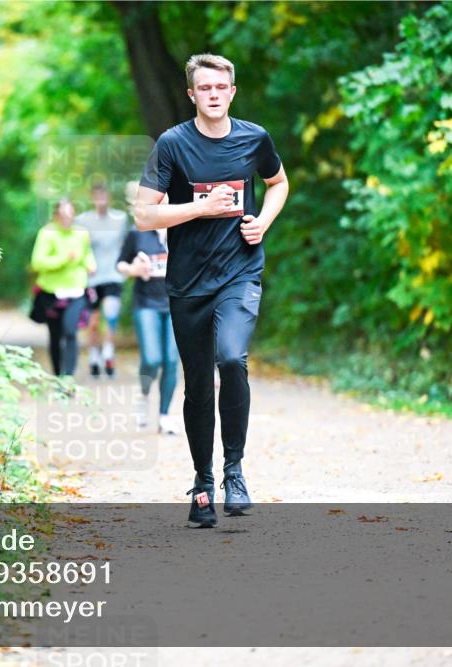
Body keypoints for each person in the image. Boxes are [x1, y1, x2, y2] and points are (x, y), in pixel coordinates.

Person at [134, 53, 289, 528]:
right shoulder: (172, 145)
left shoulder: (253, 137)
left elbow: (278, 183)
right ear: (192, 94)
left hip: (239, 273)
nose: (215, 95)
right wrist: (199, 207)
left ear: (233, 91)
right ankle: (202, 483)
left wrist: (262, 222)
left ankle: (234, 472)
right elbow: (144, 215)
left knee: (231, 359)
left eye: (222, 87)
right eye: (205, 88)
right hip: (186, 283)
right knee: (198, 387)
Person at [116, 198, 181, 436]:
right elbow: (120, 264)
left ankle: (164, 416)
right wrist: (132, 269)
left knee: (172, 360)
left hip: (177, 304)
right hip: (146, 303)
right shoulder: (138, 233)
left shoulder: (183, 229)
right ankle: (144, 396)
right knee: (152, 359)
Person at [30, 197, 96, 376]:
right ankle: (58, 374)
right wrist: (63, 259)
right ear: (56, 215)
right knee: (55, 336)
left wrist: (91, 264)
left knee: (70, 330)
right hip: (51, 293)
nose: (67, 218)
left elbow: (86, 255)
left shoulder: (81, 233)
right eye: (63, 214)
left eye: (70, 214)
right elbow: (37, 262)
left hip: (76, 290)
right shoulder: (47, 233)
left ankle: (68, 376)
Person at [76, 182, 128, 378]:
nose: (101, 200)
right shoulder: (83, 221)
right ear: (92, 198)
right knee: (93, 322)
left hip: (113, 276)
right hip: (93, 278)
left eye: (104, 196)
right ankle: (94, 355)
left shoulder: (120, 219)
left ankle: (108, 352)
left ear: (109, 197)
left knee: (111, 314)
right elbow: (81, 247)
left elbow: (125, 244)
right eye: (97, 197)